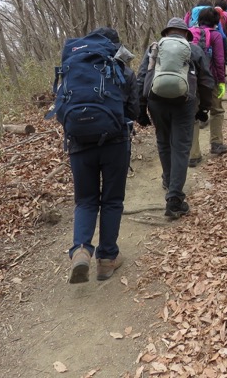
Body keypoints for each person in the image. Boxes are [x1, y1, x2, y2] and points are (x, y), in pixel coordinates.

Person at [64, 27, 138, 284]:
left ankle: (81, 249)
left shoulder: (73, 70)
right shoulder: (123, 71)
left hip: (79, 144)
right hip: (115, 143)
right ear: (115, 47)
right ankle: (107, 259)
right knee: (112, 200)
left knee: (85, 200)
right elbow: (134, 110)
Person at [136, 18, 214, 219]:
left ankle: (169, 180)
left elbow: (142, 77)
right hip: (185, 102)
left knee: (163, 142)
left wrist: (141, 109)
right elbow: (206, 81)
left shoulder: (154, 48)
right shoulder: (194, 49)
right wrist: (204, 107)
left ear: (167, 33)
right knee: (180, 146)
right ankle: (175, 199)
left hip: (156, 101)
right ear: (185, 34)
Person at [188, 7, 227, 166]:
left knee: (193, 115)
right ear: (216, 21)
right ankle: (216, 144)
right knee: (216, 110)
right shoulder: (216, 35)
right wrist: (221, 82)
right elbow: (219, 61)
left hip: (190, 80)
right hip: (209, 80)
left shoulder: (189, 33)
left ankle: (193, 154)